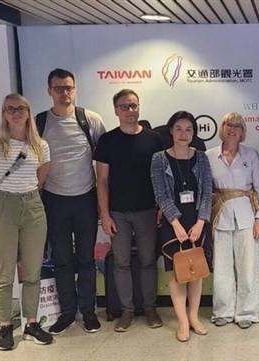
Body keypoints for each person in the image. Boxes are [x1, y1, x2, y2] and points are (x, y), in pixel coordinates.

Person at [0, 93, 53, 350]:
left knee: (32, 270)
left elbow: (41, 179)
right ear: (4, 114)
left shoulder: (40, 145)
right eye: (10, 109)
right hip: (2, 207)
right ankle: (5, 326)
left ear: (29, 112)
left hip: (32, 206)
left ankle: (31, 322)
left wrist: (27, 198)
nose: (16, 113)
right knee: (4, 272)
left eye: (21, 108)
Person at [37, 68, 106, 334]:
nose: (64, 93)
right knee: (63, 260)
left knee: (87, 259)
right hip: (54, 200)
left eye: (68, 88)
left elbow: (104, 162)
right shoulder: (40, 122)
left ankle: (88, 312)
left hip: (86, 198)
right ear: (49, 91)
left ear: (75, 88)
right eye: (59, 89)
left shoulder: (90, 119)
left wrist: (103, 203)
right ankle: (67, 312)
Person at [94, 89, 164, 332]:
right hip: (117, 213)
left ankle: (150, 308)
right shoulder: (107, 141)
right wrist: (104, 214)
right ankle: (126, 311)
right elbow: (101, 180)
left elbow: (162, 179)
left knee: (148, 262)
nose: (130, 111)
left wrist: (161, 208)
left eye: (134, 106)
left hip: (147, 210)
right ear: (116, 110)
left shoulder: (154, 140)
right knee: (121, 262)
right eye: (125, 107)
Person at [151, 111, 213, 342]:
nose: (183, 133)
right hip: (172, 222)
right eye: (179, 128)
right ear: (171, 131)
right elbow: (160, 194)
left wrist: (200, 222)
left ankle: (194, 316)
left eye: (188, 129)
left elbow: (207, 192)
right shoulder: (159, 159)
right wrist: (175, 223)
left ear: (194, 133)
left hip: (197, 220)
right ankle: (183, 322)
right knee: (178, 273)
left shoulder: (202, 157)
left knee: (196, 271)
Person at [207, 112, 259, 330]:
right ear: (222, 128)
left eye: (237, 126)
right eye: (228, 125)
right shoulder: (209, 155)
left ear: (242, 131)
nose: (232, 129)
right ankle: (222, 311)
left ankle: (247, 312)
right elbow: (206, 190)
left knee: (248, 266)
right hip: (220, 215)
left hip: (247, 216)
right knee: (221, 266)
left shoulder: (250, 155)